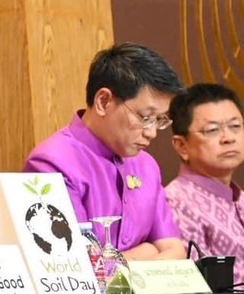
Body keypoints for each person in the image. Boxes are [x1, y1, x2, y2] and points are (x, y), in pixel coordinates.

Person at [23, 43, 187, 260]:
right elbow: (75, 266)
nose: (152, 132)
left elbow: (176, 252)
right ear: (103, 101)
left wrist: (123, 260)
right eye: (145, 118)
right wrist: (148, 251)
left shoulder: (146, 165)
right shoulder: (50, 163)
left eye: (159, 120)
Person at [165, 83, 244, 288]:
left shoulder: (240, 197)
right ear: (182, 146)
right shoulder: (176, 202)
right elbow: (199, 288)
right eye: (212, 130)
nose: (228, 138)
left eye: (235, 126)